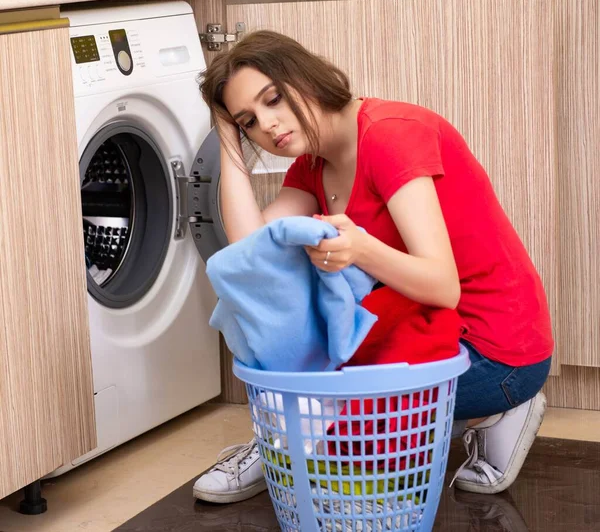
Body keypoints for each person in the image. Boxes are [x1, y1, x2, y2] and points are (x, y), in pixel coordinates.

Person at [192, 30, 554, 503]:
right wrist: (225, 133)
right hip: (423, 331)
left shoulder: (389, 136)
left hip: (496, 352)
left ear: (304, 75)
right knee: (276, 291)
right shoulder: (313, 162)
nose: (269, 125)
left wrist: (361, 249)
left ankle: (293, 442)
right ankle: (298, 439)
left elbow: (443, 286)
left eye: (274, 99)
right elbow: (249, 255)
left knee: (332, 396)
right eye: (250, 121)